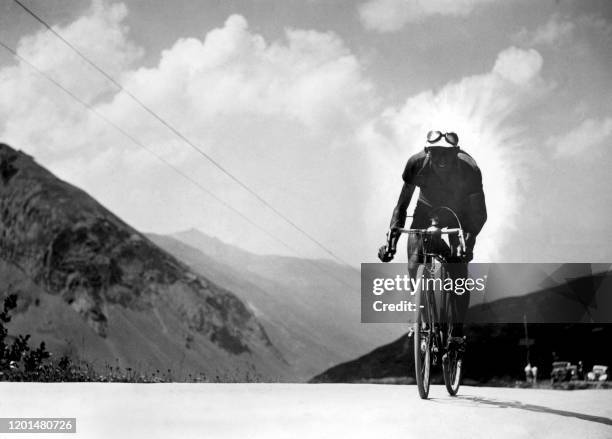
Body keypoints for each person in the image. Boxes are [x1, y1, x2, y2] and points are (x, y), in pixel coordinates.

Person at [377, 131, 487, 352]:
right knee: (414, 262)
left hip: (459, 214)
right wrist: (392, 241)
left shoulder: (469, 168)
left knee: (458, 269)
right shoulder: (416, 164)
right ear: (428, 152)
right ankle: (424, 319)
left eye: (448, 154)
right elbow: (402, 206)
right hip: (425, 211)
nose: (442, 159)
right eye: (436, 153)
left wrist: (470, 237)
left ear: (457, 152)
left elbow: (479, 213)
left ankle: (456, 333)